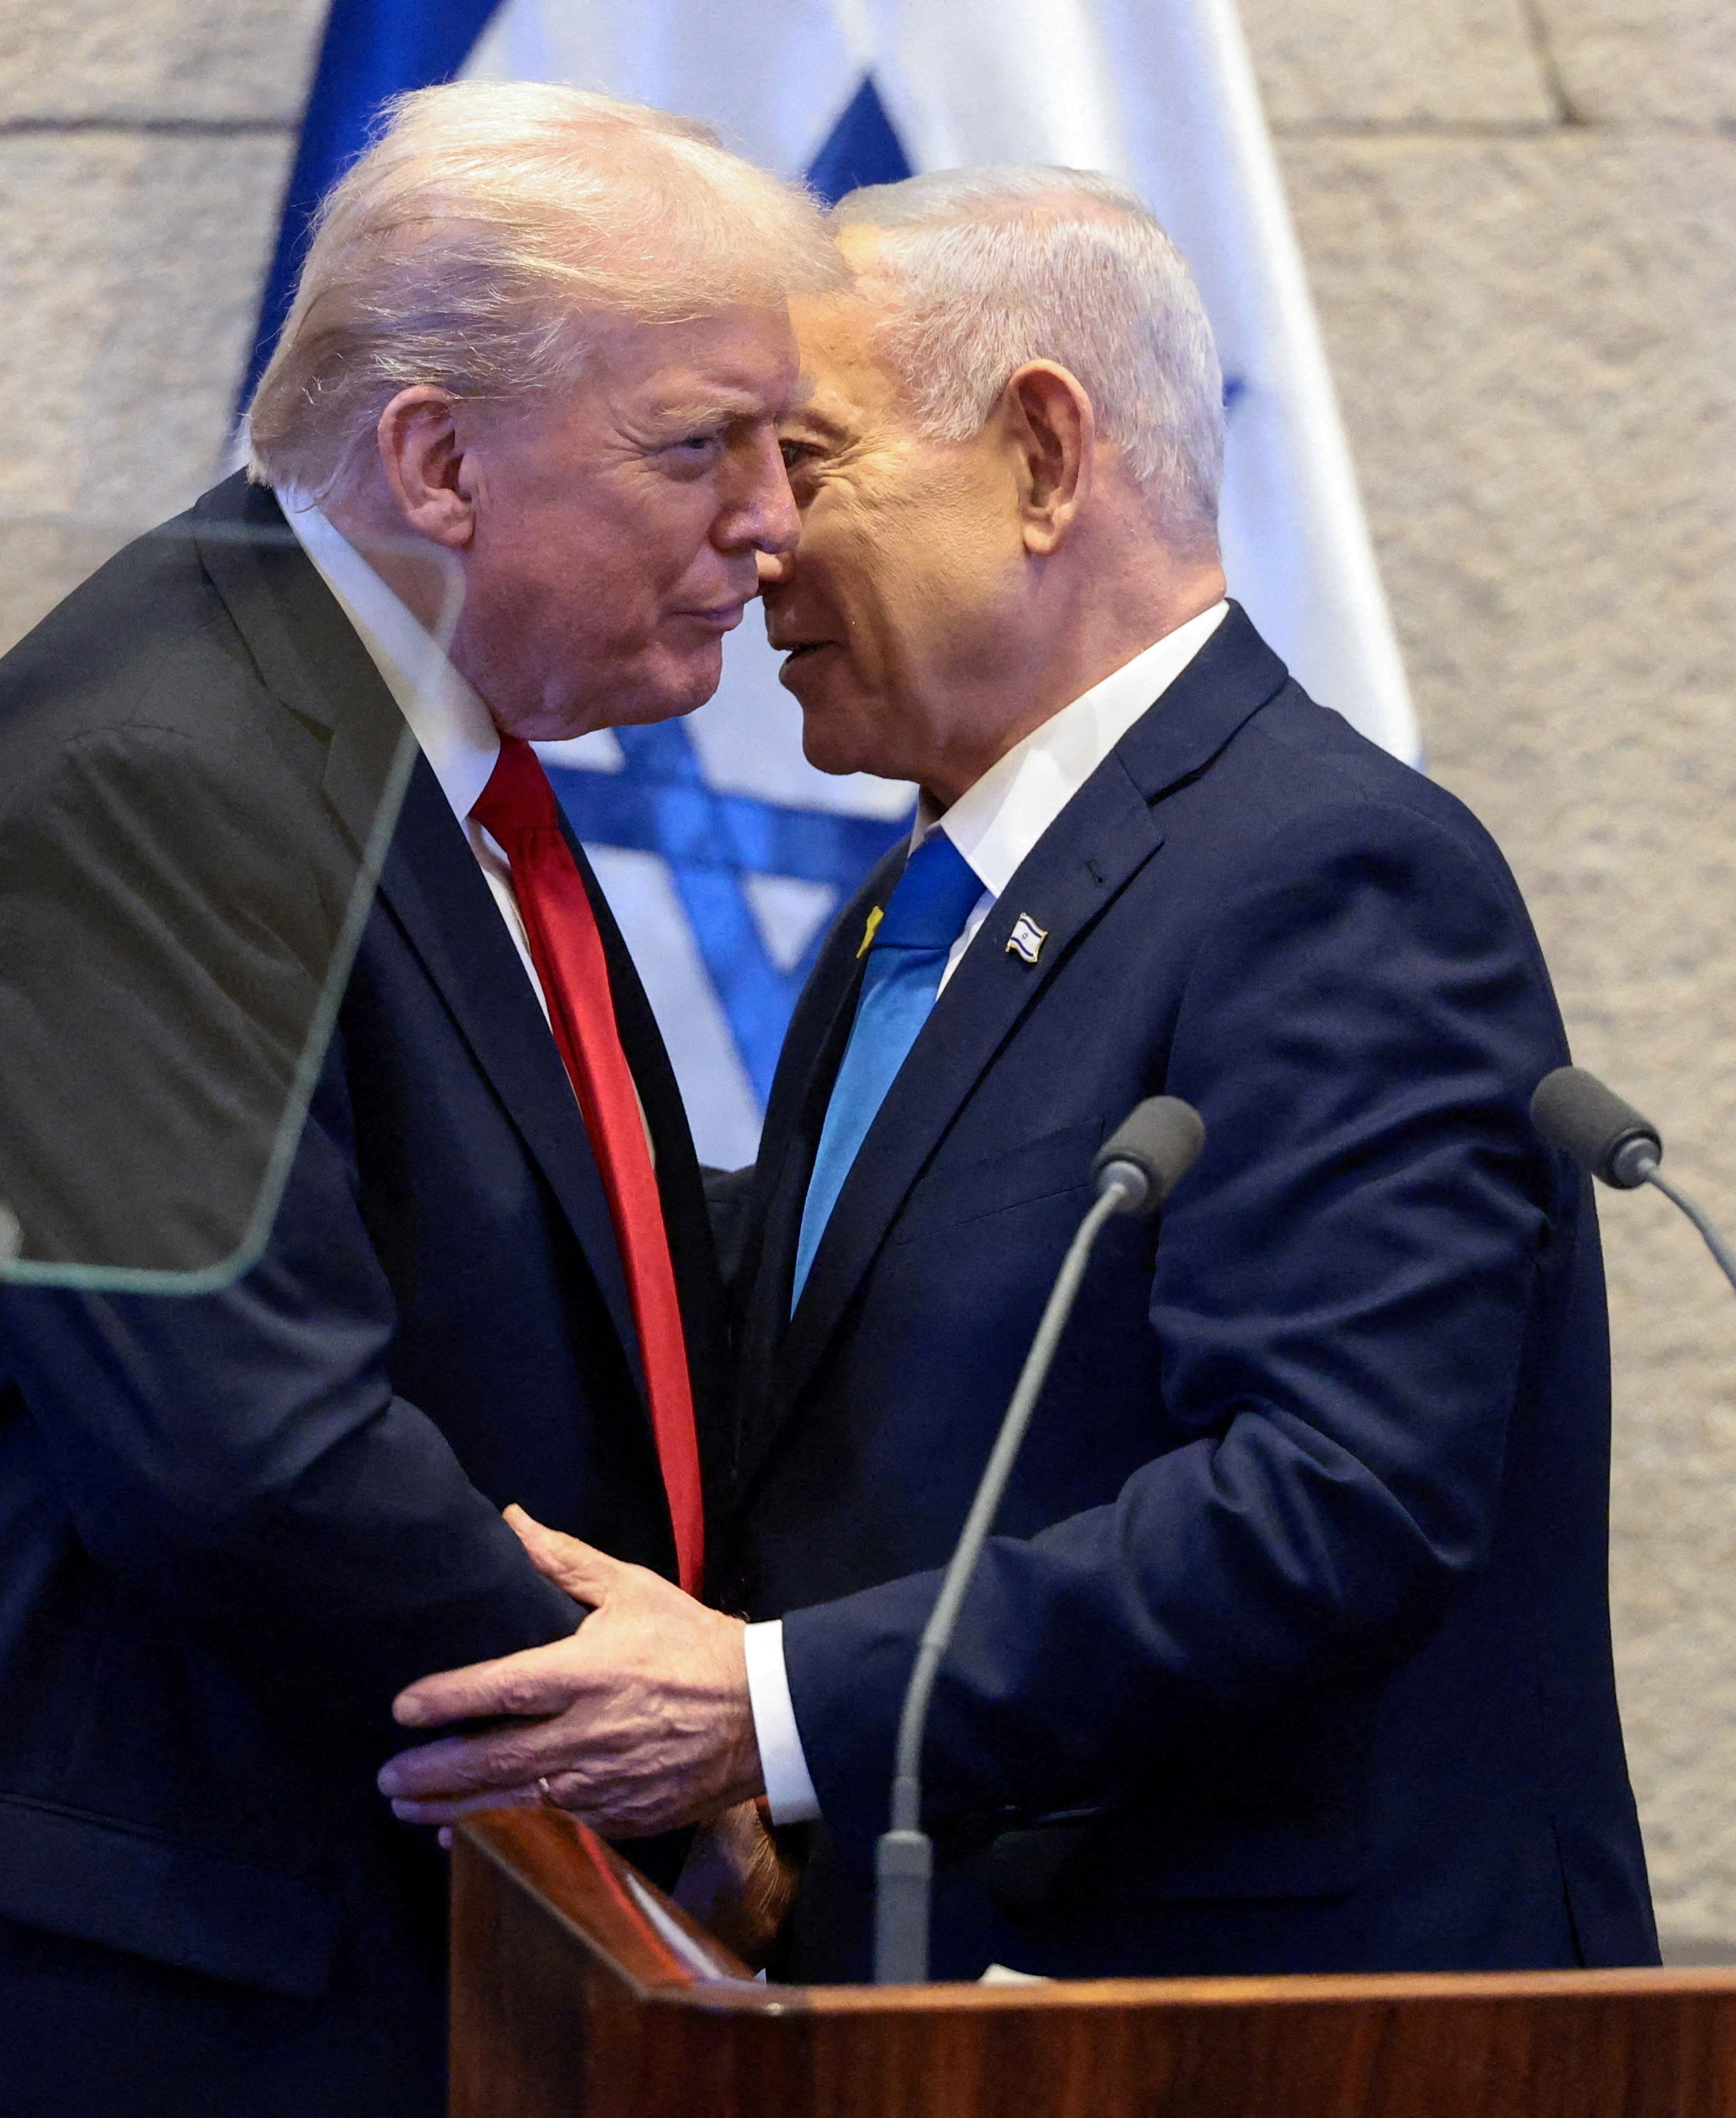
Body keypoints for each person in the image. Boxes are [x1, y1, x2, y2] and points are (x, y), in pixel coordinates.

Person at [0, 84, 835, 2117]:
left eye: (784, 451)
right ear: (436, 459)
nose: (774, 521)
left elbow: (545, 1273)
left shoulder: (401, 761)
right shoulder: (159, 771)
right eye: (700, 445)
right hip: (79, 2016)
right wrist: (636, 1736)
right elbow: (250, 1453)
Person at [381, 167, 1658, 1984]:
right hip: (954, 1993)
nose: (746, 541)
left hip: (1280, 2026)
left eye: (803, 464)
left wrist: (761, 1703)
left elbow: (1334, 1498)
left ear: (1043, 458)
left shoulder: (1325, 878)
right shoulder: (927, 897)